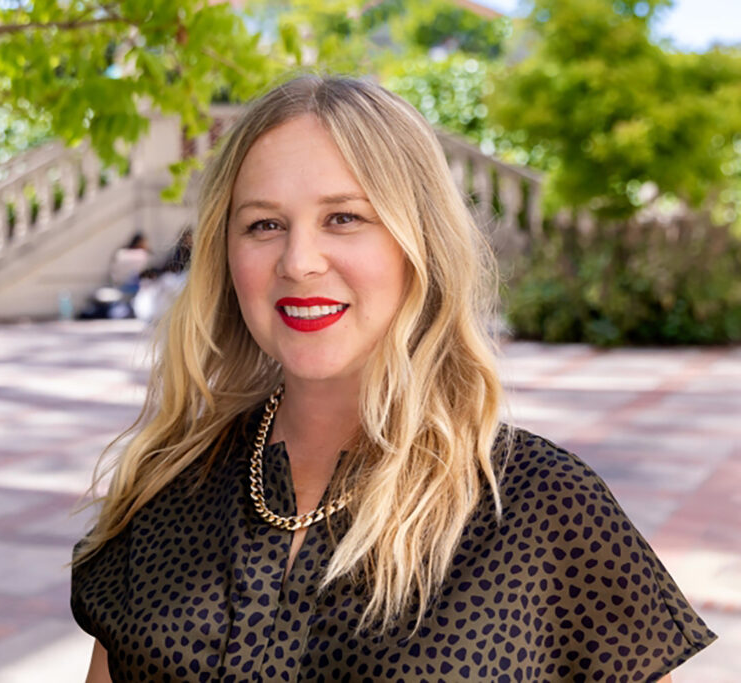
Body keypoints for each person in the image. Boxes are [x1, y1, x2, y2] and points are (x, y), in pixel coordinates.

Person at [71, 76, 715, 682]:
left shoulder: (545, 509)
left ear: (420, 245)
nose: (299, 262)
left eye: (344, 217)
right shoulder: (167, 485)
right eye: (264, 224)